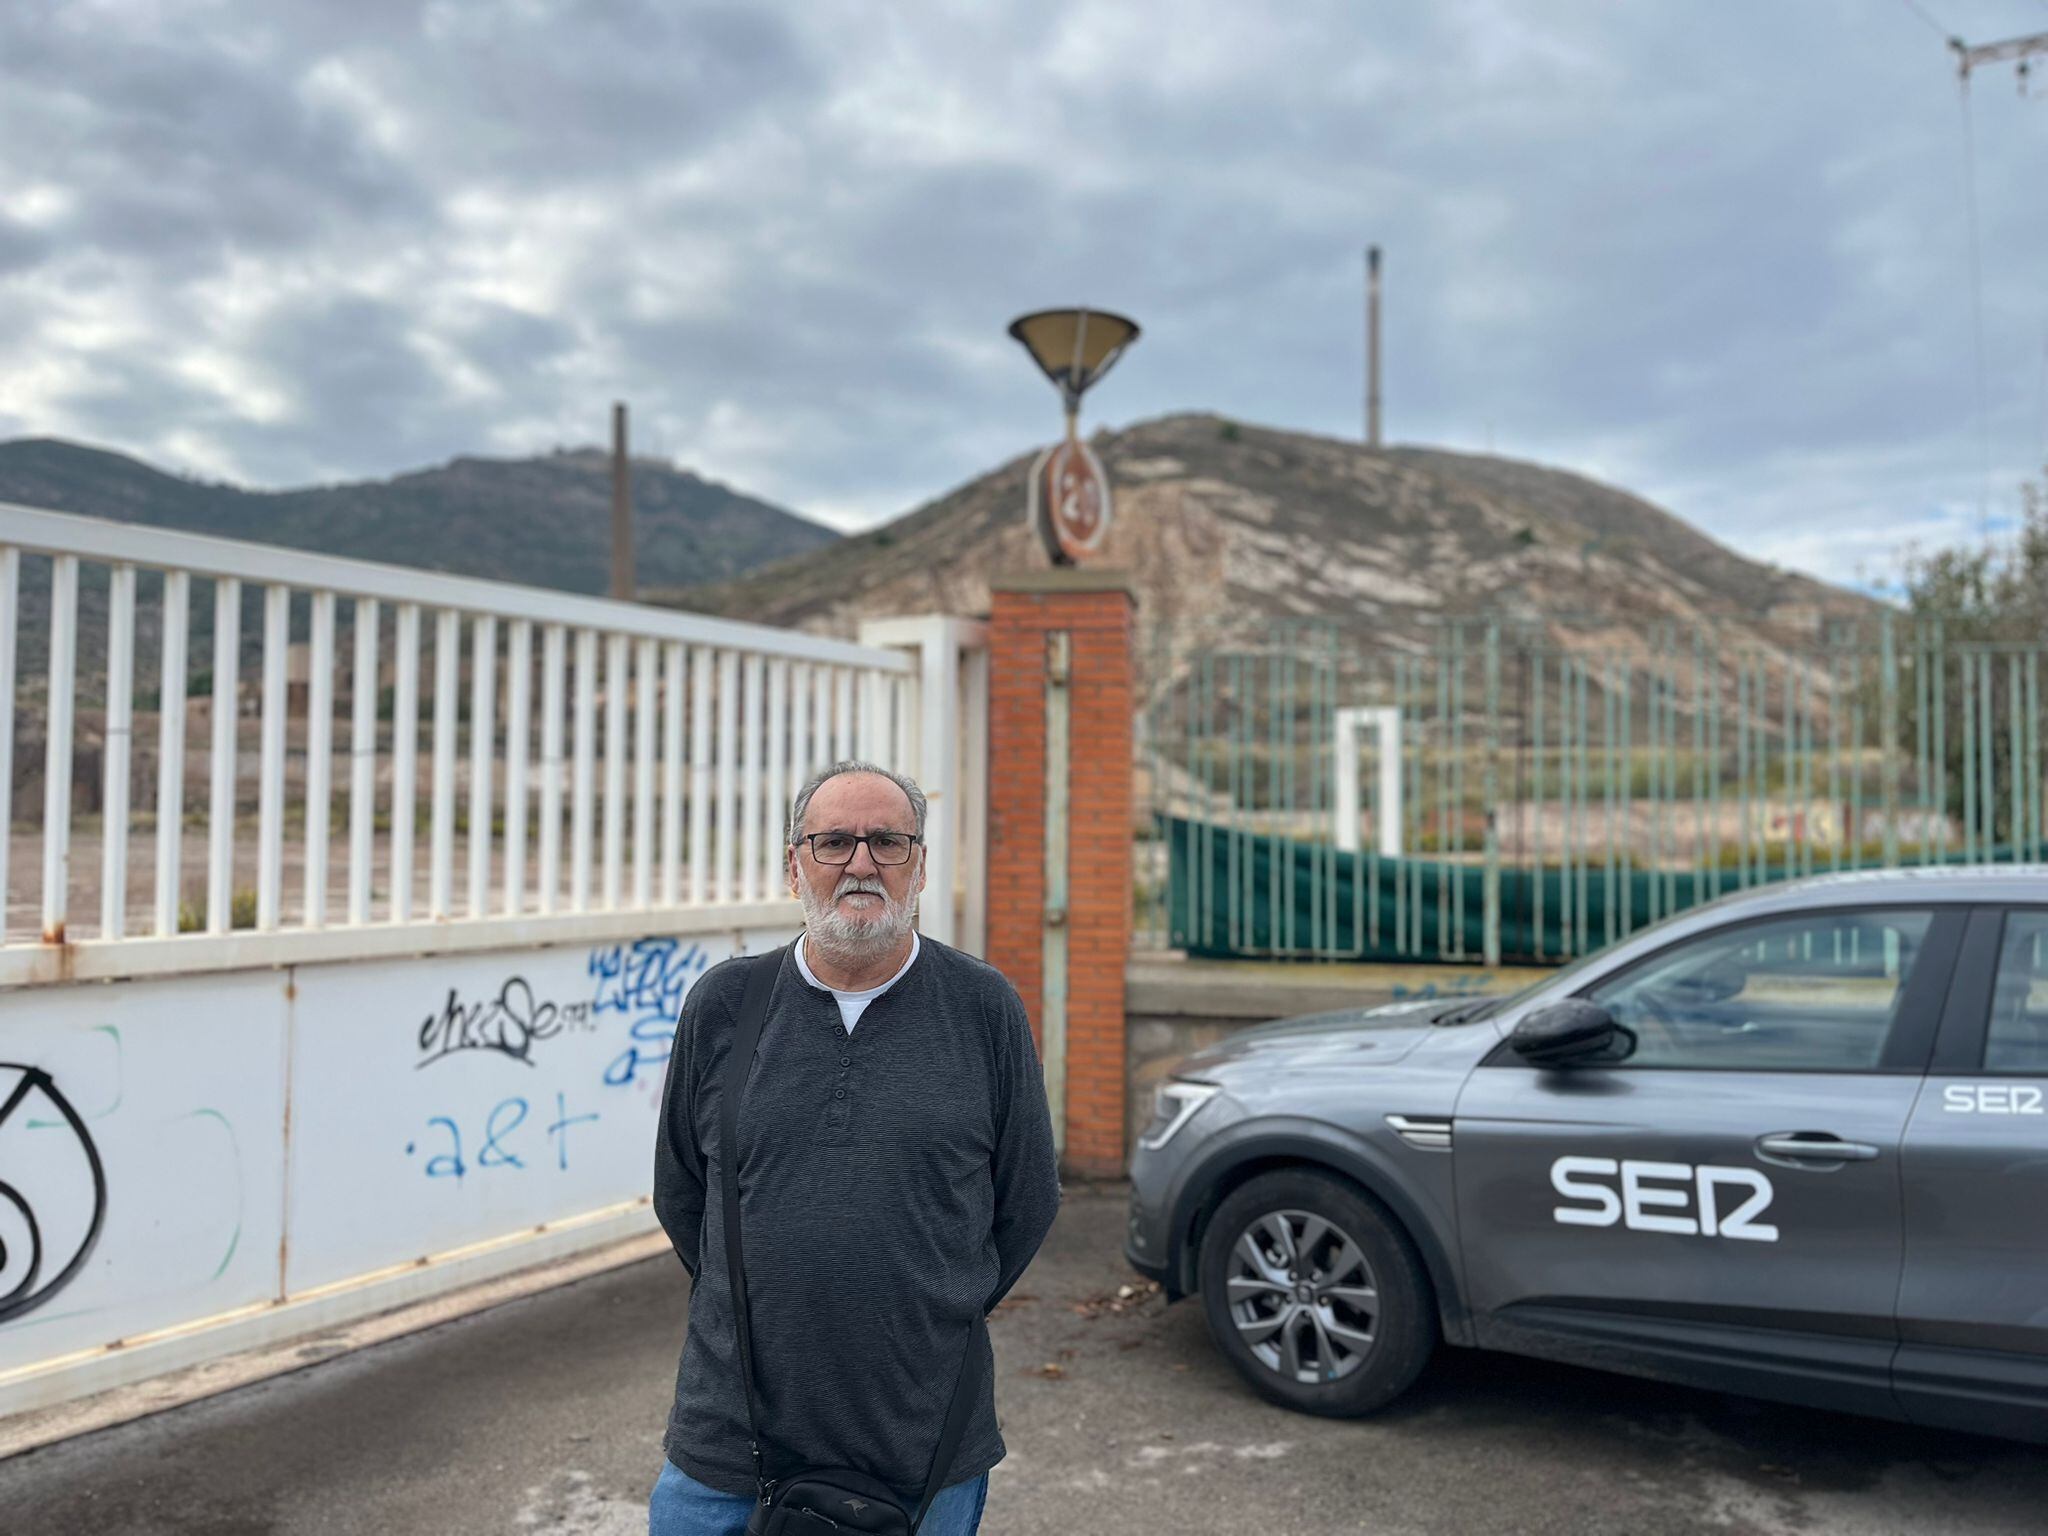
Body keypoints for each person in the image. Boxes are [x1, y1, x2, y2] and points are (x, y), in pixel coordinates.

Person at [649, 760, 1062, 1536]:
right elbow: (682, 1193)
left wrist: (925, 1308)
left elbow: (1028, 1201)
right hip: (730, 1438)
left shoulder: (983, 1008)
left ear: (921, 865)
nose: (862, 862)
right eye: (834, 840)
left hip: (924, 1441)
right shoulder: (724, 1005)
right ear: (793, 864)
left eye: (889, 841)